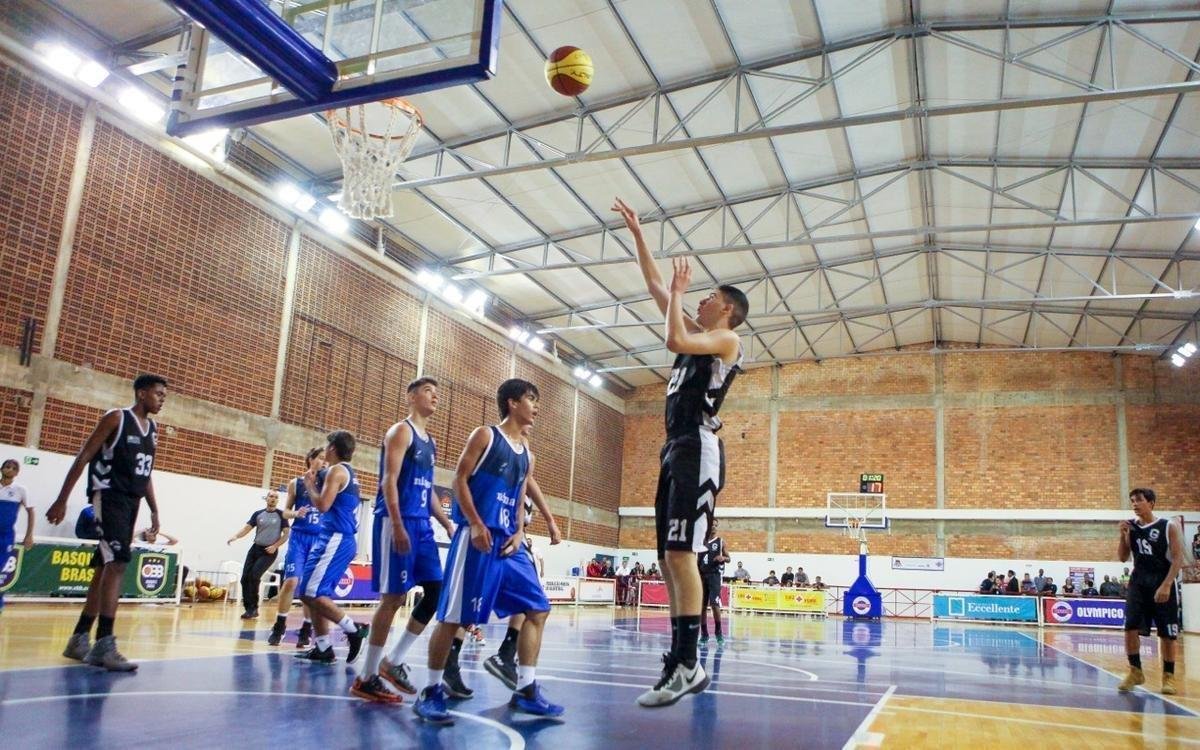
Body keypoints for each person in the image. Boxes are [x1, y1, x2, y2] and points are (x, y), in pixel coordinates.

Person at [619, 191, 749, 710]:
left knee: (682, 554)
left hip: (698, 445)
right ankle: (679, 659)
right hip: (674, 447)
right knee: (667, 557)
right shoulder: (700, 337)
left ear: (727, 309)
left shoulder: (727, 343)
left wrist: (676, 295)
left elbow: (673, 338)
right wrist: (639, 235)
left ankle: (689, 662)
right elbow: (657, 288)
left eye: (707, 297)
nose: (699, 300)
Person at [413, 379, 563, 723]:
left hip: (509, 542)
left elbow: (520, 495)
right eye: (531, 399)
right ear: (512, 403)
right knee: (452, 617)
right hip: (477, 537)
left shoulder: (526, 452)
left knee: (538, 609)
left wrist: (521, 531)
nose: (536, 406)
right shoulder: (485, 436)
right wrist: (477, 523)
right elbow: (459, 480)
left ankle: (526, 690)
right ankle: (431, 691)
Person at [47, 373, 167, 671]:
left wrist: (154, 508)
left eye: (164, 396)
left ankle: (79, 638)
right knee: (118, 563)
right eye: (158, 394)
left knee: (105, 566)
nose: (162, 399)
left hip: (132, 501)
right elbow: (84, 456)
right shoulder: (116, 418)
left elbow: (145, 472)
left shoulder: (152, 429)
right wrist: (62, 499)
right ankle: (104, 643)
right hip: (108, 495)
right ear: (141, 393)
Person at [352, 377, 457, 703]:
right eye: (427, 391)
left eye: (437, 393)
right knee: (394, 598)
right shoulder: (401, 431)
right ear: (411, 397)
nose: (434, 396)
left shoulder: (431, 442)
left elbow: (428, 490)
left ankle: (393, 660)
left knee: (436, 592)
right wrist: (397, 525)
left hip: (422, 525)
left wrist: (447, 523)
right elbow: (389, 480)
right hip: (395, 520)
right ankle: (366, 677)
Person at [294, 431, 369, 664]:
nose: (325, 451)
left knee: (311, 592)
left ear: (333, 448)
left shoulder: (337, 471)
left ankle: (354, 629)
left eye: (327, 447)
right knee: (312, 592)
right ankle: (323, 647)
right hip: (335, 537)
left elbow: (323, 505)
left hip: (336, 537)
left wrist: (309, 485)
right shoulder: (345, 472)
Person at [484, 470, 562, 690]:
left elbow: (528, 483)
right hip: (502, 532)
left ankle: (508, 656)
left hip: (512, 533)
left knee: (530, 605)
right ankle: (511, 664)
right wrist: (549, 520)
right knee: (534, 606)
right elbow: (527, 481)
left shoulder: (519, 464)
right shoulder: (512, 461)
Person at [1118, 488, 1184, 695]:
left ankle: (1168, 676)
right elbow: (1122, 557)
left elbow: (1178, 558)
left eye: (1139, 500)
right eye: (1132, 501)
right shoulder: (1131, 526)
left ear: (1151, 503)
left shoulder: (1168, 526)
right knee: (1130, 627)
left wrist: (1166, 585)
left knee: (1167, 633)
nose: (1135, 504)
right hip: (1138, 582)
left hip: (1161, 579)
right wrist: (1122, 536)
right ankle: (1135, 671)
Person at [268, 447, 325, 647]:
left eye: (326, 459)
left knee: (309, 588)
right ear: (310, 459)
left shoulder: (328, 482)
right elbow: (285, 512)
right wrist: (296, 513)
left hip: (319, 539)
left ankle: (306, 628)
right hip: (299, 538)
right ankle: (280, 625)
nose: (324, 462)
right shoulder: (296, 483)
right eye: (320, 458)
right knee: (291, 581)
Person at [227, 489, 289, 620]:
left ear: (277, 500)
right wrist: (235, 536)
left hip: (269, 551)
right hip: (255, 549)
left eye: (276, 497)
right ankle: (249, 609)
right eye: (271, 496)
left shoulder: (281, 515)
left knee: (254, 576)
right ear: (266, 498)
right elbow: (246, 528)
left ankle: (254, 608)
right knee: (245, 578)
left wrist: (275, 546)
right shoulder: (258, 514)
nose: (273, 499)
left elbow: (286, 534)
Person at [0, 458, 34, 613]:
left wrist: (29, 535)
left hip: (6, 536)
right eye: (7, 466)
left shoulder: (21, 490)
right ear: (1, 469)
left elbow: (30, 512)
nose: (10, 469)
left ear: (17, 472)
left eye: (13, 468)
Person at [697, 518, 728, 643]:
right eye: (712, 525)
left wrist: (723, 558)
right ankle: (704, 634)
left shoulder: (721, 542)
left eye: (716, 525)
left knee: (715, 605)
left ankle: (718, 633)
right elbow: (697, 560)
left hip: (714, 576)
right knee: (702, 607)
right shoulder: (701, 542)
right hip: (702, 576)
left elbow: (729, 558)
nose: (714, 527)